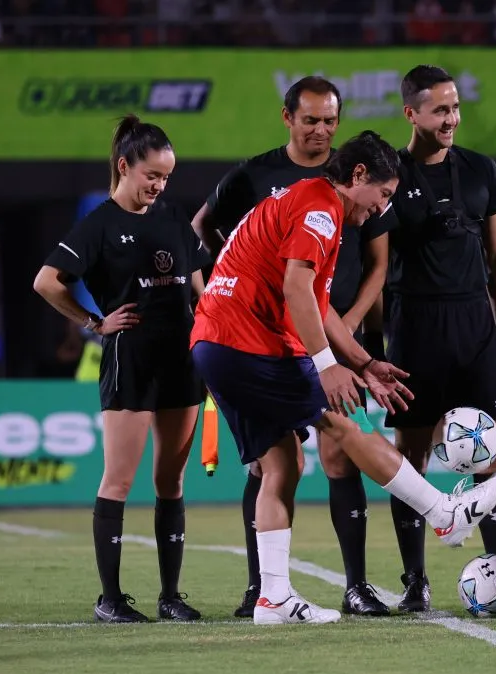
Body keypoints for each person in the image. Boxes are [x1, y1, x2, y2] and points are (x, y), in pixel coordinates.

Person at [190, 130, 496, 626]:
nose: (383, 208)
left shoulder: (311, 204)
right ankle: (443, 514)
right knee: (345, 422)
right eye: (382, 195)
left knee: (283, 465)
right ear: (358, 176)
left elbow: (316, 302)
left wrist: (361, 362)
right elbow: (298, 289)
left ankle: (272, 598)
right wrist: (326, 366)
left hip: (216, 344)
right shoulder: (319, 208)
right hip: (249, 342)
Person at [192, 76, 394, 618]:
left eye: (330, 120)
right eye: (310, 120)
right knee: (275, 460)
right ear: (287, 118)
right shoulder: (257, 174)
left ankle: (353, 585)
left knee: (326, 457)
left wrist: (348, 334)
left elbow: (377, 264)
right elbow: (205, 230)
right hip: (264, 337)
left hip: (332, 329)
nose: (321, 130)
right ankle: (262, 585)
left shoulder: (361, 186)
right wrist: (231, 290)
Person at [360, 64, 496, 612]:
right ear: (411, 113)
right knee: (409, 458)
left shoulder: (483, 171)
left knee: (491, 456)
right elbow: (377, 271)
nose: (452, 118)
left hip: (476, 326)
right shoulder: (392, 178)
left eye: (455, 108)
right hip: (415, 326)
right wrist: (376, 352)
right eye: (440, 110)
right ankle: (415, 581)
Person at [33, 115, 208, 623]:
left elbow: (202, 290)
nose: (160, 185)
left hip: (181, 360)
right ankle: (110, 599)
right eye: (152, 175)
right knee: (119, 481)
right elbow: (46, 281)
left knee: (171, 481)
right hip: (130, 359)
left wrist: (213, 331)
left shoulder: (174, 218)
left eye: (167, 177)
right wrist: (93, 321)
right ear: (124, 165)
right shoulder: (99, 225)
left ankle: (170, 596)